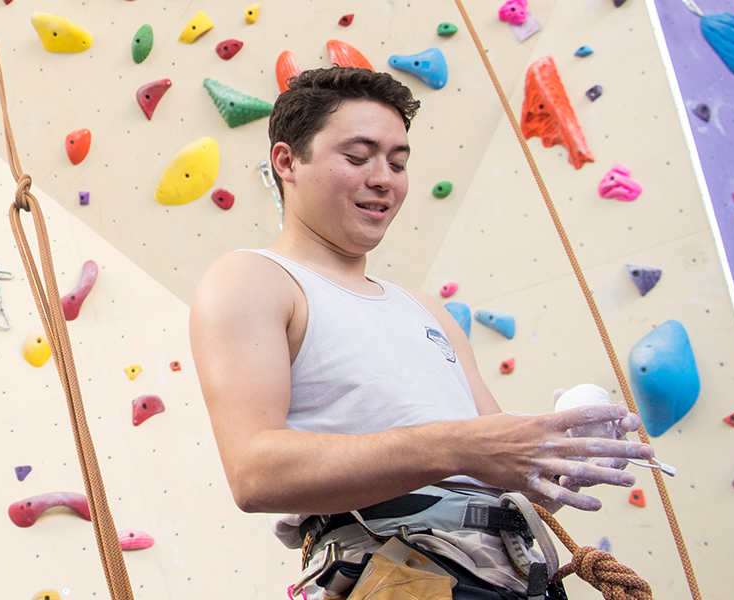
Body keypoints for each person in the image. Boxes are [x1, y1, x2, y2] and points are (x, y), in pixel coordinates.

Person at [187, 67, 657, 599]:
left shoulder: (424, 309)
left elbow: (490, 463)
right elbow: (254, 473)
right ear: (287, 161)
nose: (384, 177)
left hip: (513, 569)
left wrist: (555, 456)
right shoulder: (255, 279)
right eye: (358, 157)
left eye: (398, 161)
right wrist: (458, 445)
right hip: (395, 566)